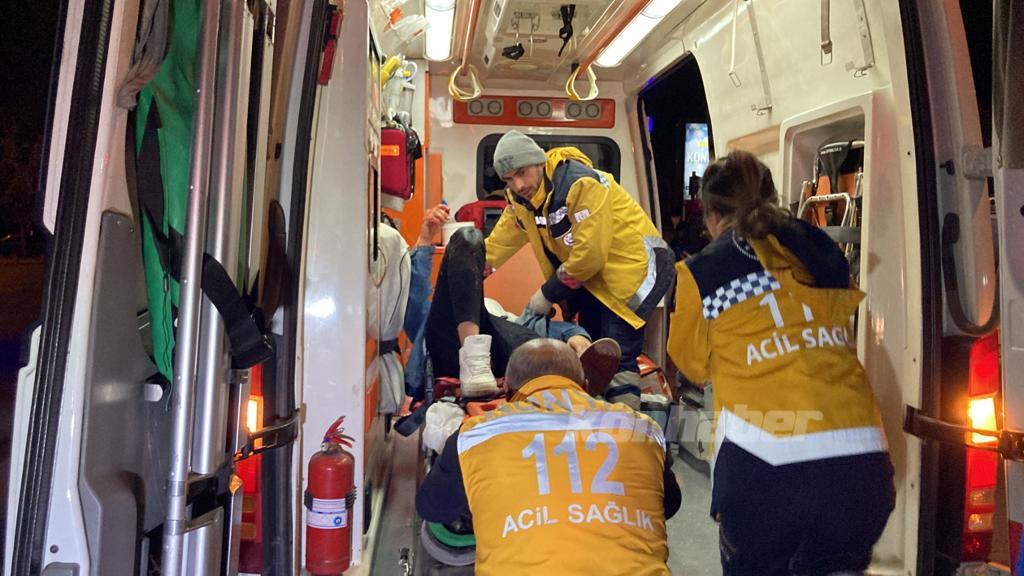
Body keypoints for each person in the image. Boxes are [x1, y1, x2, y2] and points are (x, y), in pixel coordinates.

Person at [666, 150, 894, 575]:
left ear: (712, 214)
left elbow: (693, 365)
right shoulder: (819, 250)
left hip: (767, 471)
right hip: (864, 473)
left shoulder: (701, 272)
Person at [416, 339, 681, 575]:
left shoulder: (476, 436)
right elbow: (669, 504)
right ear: (585, 386)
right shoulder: (641, 428)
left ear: (507, 391)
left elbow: (431, 506)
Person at [484, 130, 675, 408]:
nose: (518, 184)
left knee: (617, 352)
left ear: (538, 162)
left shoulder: (580, 184)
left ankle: (626, 421)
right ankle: (600, 415)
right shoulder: (522, 202)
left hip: (636, 268)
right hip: (596, 277)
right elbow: (497, 245)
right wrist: (472, 266)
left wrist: (548, 293)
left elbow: (590, 255)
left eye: (522, 173)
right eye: (509, 179)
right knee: (592, 350)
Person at [411, 204, 620, 399]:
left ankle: (577, 369)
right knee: (468, 237)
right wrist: (425, 238)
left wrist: (577, 338)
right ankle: (474, 359)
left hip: (500, 347)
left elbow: (542, 327)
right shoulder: (438, 314)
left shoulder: (506, 319)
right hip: (449, 347)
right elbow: (415, 303)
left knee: (538, 345)